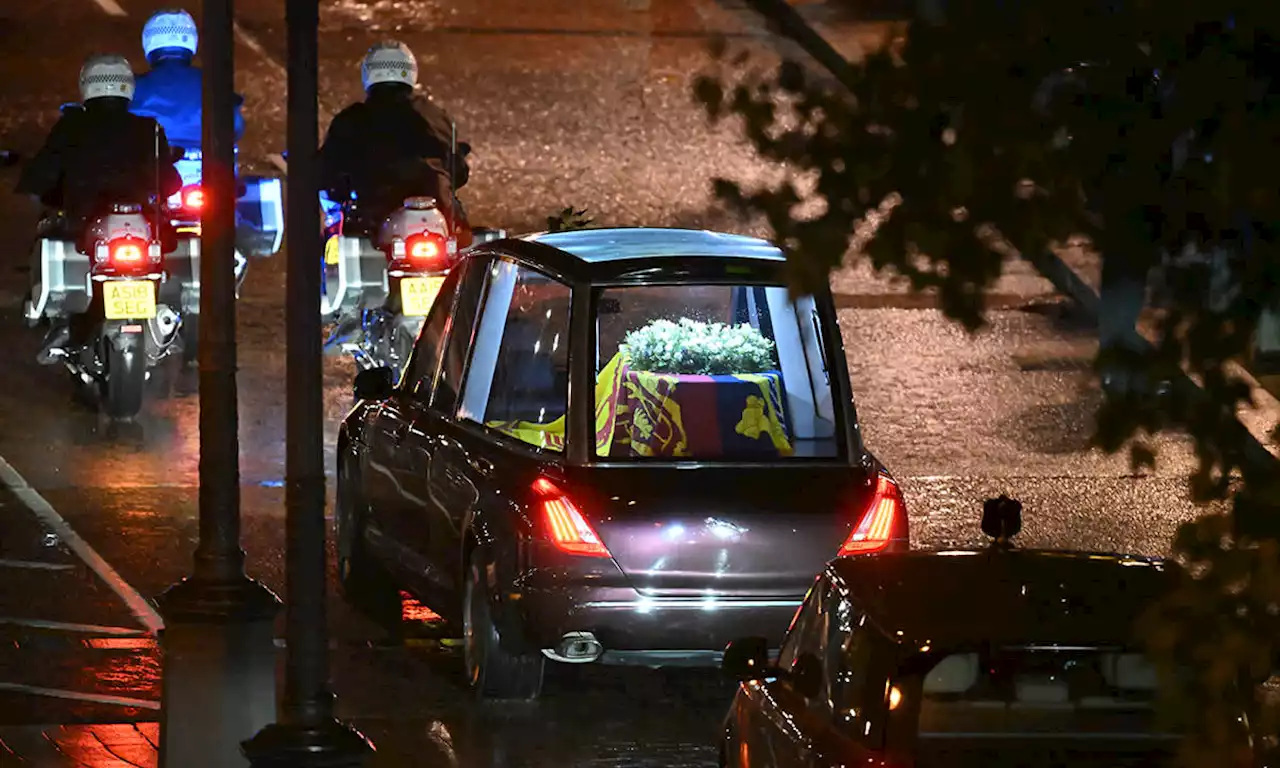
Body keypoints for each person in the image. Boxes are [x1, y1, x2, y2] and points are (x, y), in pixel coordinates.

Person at [16, 54, 181, 362]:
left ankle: (51, 319)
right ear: (127, 87)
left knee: (45, 237)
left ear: (86, 87)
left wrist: (40, 188)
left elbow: (44, 173)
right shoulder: (148, 128)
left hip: (83, 224)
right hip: (141, 229)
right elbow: (171, 182)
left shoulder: (72, 126)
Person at [319, 40, 472, 245]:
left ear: (368, 73)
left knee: (332, 253)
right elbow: (459, 172)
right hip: (440, 221)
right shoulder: (434, 115)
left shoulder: (351, 120)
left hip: (372, 225)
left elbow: (326, 173)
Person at [130, 8, 246, 151]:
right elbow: (236, 127)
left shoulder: (136, 88)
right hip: (208, 164)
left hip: (153, 165)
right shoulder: (213, 85)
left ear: (149, 42)